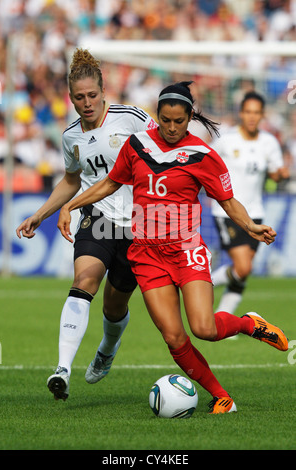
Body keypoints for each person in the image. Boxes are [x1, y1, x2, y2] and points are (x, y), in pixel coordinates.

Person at [56, 82, 288, 414]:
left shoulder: (203, 155)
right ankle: (222, 396)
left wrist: (250, 225)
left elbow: (227, 200)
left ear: (190, 117)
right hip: (147, 255)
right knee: (174, 338)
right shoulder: (137, 145)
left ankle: (249, 323)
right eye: (165, 120)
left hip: (185, 250)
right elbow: (110, 183)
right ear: (158, 116)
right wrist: (71, 205)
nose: (172, 127)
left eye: (179, 121)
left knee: (203, 328)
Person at [16, 48, 157, 401]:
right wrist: (41, 214)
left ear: (103, 90)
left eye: (92, 95)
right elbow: (71, 180)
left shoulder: (132, 118)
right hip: (97, 218)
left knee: (114, 306)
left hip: (137, 225)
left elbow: (164, 148)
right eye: (79, 97)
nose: (86, 103)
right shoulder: (71, 137)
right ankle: (62, 368)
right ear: (70, 98)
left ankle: (108, 347)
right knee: (84, 280)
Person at [210, 91, 289, 316]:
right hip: (227, 211)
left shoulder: (269, 142)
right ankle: (202, 284)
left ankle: (222, 316)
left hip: (255, 212)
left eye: (256, 113)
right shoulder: (226, 140)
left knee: (242, 271)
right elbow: (206, 164)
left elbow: (275, 174)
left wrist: (281, 174)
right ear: (241, 113)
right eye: (248, 112)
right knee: (244, 267)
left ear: (262, 115)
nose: (252, 117)